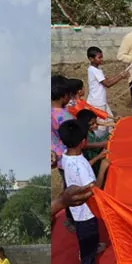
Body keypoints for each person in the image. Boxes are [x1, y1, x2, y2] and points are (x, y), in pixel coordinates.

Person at [58, 119, 111, 264]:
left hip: (77, 210)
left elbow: (83, 168)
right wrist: (103, 167)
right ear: (83, 142)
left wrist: (97, 157)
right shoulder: (79, 163)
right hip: (86, 211)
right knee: (89, 236)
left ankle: (88, 250)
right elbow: (95, 188)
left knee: (86, 236)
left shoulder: (66, 157)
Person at [51, 74, 78, 232]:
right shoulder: (64, 116)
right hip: (70, 157)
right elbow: (76, 138)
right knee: (73, 189)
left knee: (66, 185)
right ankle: (74, 219)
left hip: (60, 159)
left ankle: (69, 218)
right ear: (64, 96)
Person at [86, 46, 128, 136]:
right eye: (99, 57)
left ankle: (110, 140)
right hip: (97, 103)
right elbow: (108, 84)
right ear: (91, 59)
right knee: (101, 126)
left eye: (102, 57)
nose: (101, 59)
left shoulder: (96, 69)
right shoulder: (94, 70)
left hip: (101, 101)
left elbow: (106, 80)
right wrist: (121, 76)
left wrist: (119, 75)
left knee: (110, 121)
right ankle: (99, 143)